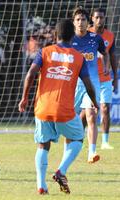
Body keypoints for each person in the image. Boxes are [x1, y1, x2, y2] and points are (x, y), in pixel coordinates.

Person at [19, 19, 98, 195]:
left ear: (56, 35)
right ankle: (61, 170)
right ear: (72, 36)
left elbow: (31, 74)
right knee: (77, 139)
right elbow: (88, 84)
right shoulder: (78, 57)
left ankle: (41, 185)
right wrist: (94, 101)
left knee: (43, 146)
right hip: (64, 111)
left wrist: (24, 98)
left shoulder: (45, 52)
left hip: (42, 108)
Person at [72, 6, 108, 163]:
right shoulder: (68, 40)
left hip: (92, 84)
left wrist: (105, 66)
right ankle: (70, 146)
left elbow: (105, 53)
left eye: (83, 20)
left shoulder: (95, 38)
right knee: (68, 118)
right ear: (74, 22)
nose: (81, 22)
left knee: (91, 116)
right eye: (78, 20)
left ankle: (92, 152)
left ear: (89, 22)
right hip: (72, 84)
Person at [88, 8, 118, 149]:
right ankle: (79, 137)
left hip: (106, 78)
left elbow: (112, 57)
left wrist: (115, 78)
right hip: (89, 78)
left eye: (102, 17)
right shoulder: (86, 33)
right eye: (97, 17)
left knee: (105, 108)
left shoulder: (110, 36)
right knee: (87, 112)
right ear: (92, 19)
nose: (100, 20)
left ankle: (105, 142)